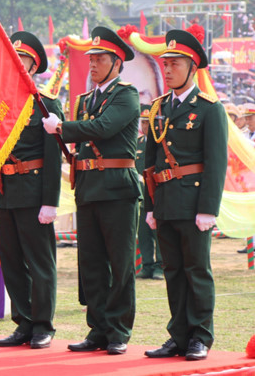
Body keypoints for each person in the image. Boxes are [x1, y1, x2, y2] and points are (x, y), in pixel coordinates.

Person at [42, 26, 140, 355]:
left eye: (100, 59)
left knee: (119, 263)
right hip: (89, 188)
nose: (93, 64)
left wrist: (62, 127)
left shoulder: (126, 94)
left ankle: (118, 330)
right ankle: (97, 328)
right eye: (92, 58)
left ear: (117, 62)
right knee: (92, 264)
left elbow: (103, 128)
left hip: (117, 190)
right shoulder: (86, 99)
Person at [143, 25, 228, 361]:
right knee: (173, 272)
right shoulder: (158, 107)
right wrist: (150, 206)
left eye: (175, 64)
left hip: (194, 204)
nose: (167, 69)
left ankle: (200, 337)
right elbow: (150, 162)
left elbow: (216, 162)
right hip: (164, 202)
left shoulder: (209, 108)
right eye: (165, 64)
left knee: (196, 271)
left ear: (193, 67)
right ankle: (178, 336)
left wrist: (208, 209)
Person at [0, 31, 63, 350]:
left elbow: (52, 156)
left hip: (34, 193)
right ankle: (23, 322)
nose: (14, 66)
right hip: (5, 192)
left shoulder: (45, 103)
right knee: (12, 260)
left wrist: (50, 202)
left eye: (21, 61)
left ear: (33, 67)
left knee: (39, 261)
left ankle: (43, 325)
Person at [136, 105, 162, 280]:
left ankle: (160, 265)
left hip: (156, 193)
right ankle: (147, 265)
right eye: (143, 123)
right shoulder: (136, 143)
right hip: (141, 194)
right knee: (143, 232)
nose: (145, 126)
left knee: (158, 232)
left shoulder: (160, 143)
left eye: (148, 123)